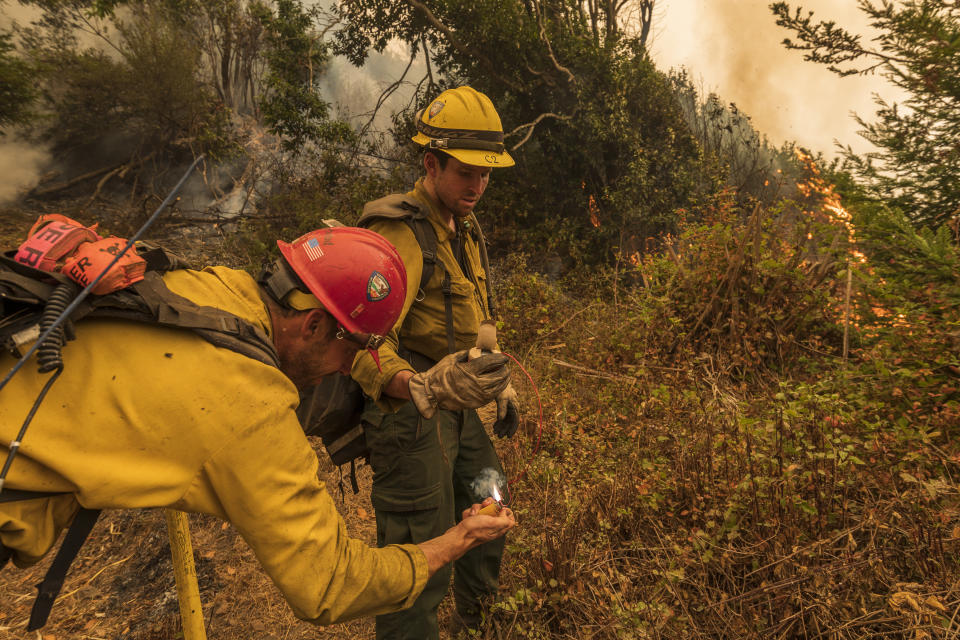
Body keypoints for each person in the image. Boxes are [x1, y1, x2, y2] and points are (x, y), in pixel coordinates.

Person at [0, 226, 515, 629]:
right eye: (352, 350)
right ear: (313, 325)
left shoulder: (217, 285)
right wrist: (455, 541)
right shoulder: (249, 410)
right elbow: (331, 585)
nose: (346, 368)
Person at [350, 86, 519, 639]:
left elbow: (473, 317)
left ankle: (475, 625)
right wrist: (421, 386)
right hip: (408, 417)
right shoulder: (400, 234)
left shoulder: (459, 227)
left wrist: (500, 387)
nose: (478, 186)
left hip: (458, 412)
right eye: (466, 172)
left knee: (489, 500)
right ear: (431, 163)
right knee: (417, 558)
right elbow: (364, 344)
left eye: (487, 174)